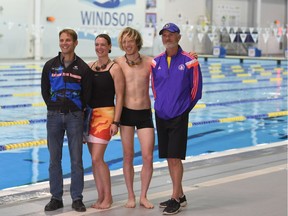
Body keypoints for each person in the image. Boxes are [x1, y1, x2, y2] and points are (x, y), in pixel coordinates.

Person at [151, 23, 203, 215]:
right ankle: (179, 195)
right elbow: (155, 89)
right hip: (162, 114)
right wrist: (160, 106)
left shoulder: (190, 61)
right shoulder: (156, 62)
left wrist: (183, 110)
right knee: (169, 157)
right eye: (164, 35)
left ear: (179, 37)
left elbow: (196, 91)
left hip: (178, 115)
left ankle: (176, 199)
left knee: (175, 158)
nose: (167, 38)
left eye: (171, 35)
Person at [41, 28, 92, 212]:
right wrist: (54, 106)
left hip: (74, 116)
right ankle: (56, 198)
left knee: (76, 160)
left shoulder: (83, 68)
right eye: (62, 40)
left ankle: (77, 198)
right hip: (54, 116)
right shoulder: (50, 65)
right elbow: (45, 91)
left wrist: (76, 111)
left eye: (68, 40)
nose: (64, 43)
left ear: (75, 43)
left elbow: (86, 96)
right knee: (54, 159)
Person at [114, 27, 155, 209]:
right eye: (124, 42)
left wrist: (190, 57)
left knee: (147, 156)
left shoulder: (150, 62)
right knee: (128, 156)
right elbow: (97, 69)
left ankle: (144, 196)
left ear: (137, 41)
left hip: (145, 113)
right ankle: (131, 195)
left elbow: (171, 68)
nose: (127, 44)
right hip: (126, 114)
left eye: (130, 41)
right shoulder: (118, 63)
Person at [84, 34, 125, 209]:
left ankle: (108, 197)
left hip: (106, 116)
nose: (99, 47)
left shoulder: (114, 68)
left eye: (103, 44)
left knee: (97, 157)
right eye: (97, 44)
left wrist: (116, 121)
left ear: (109, 47)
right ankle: (101, 197)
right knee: (93, 161)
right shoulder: (89, 66)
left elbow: (120, 97)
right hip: (89, 116)